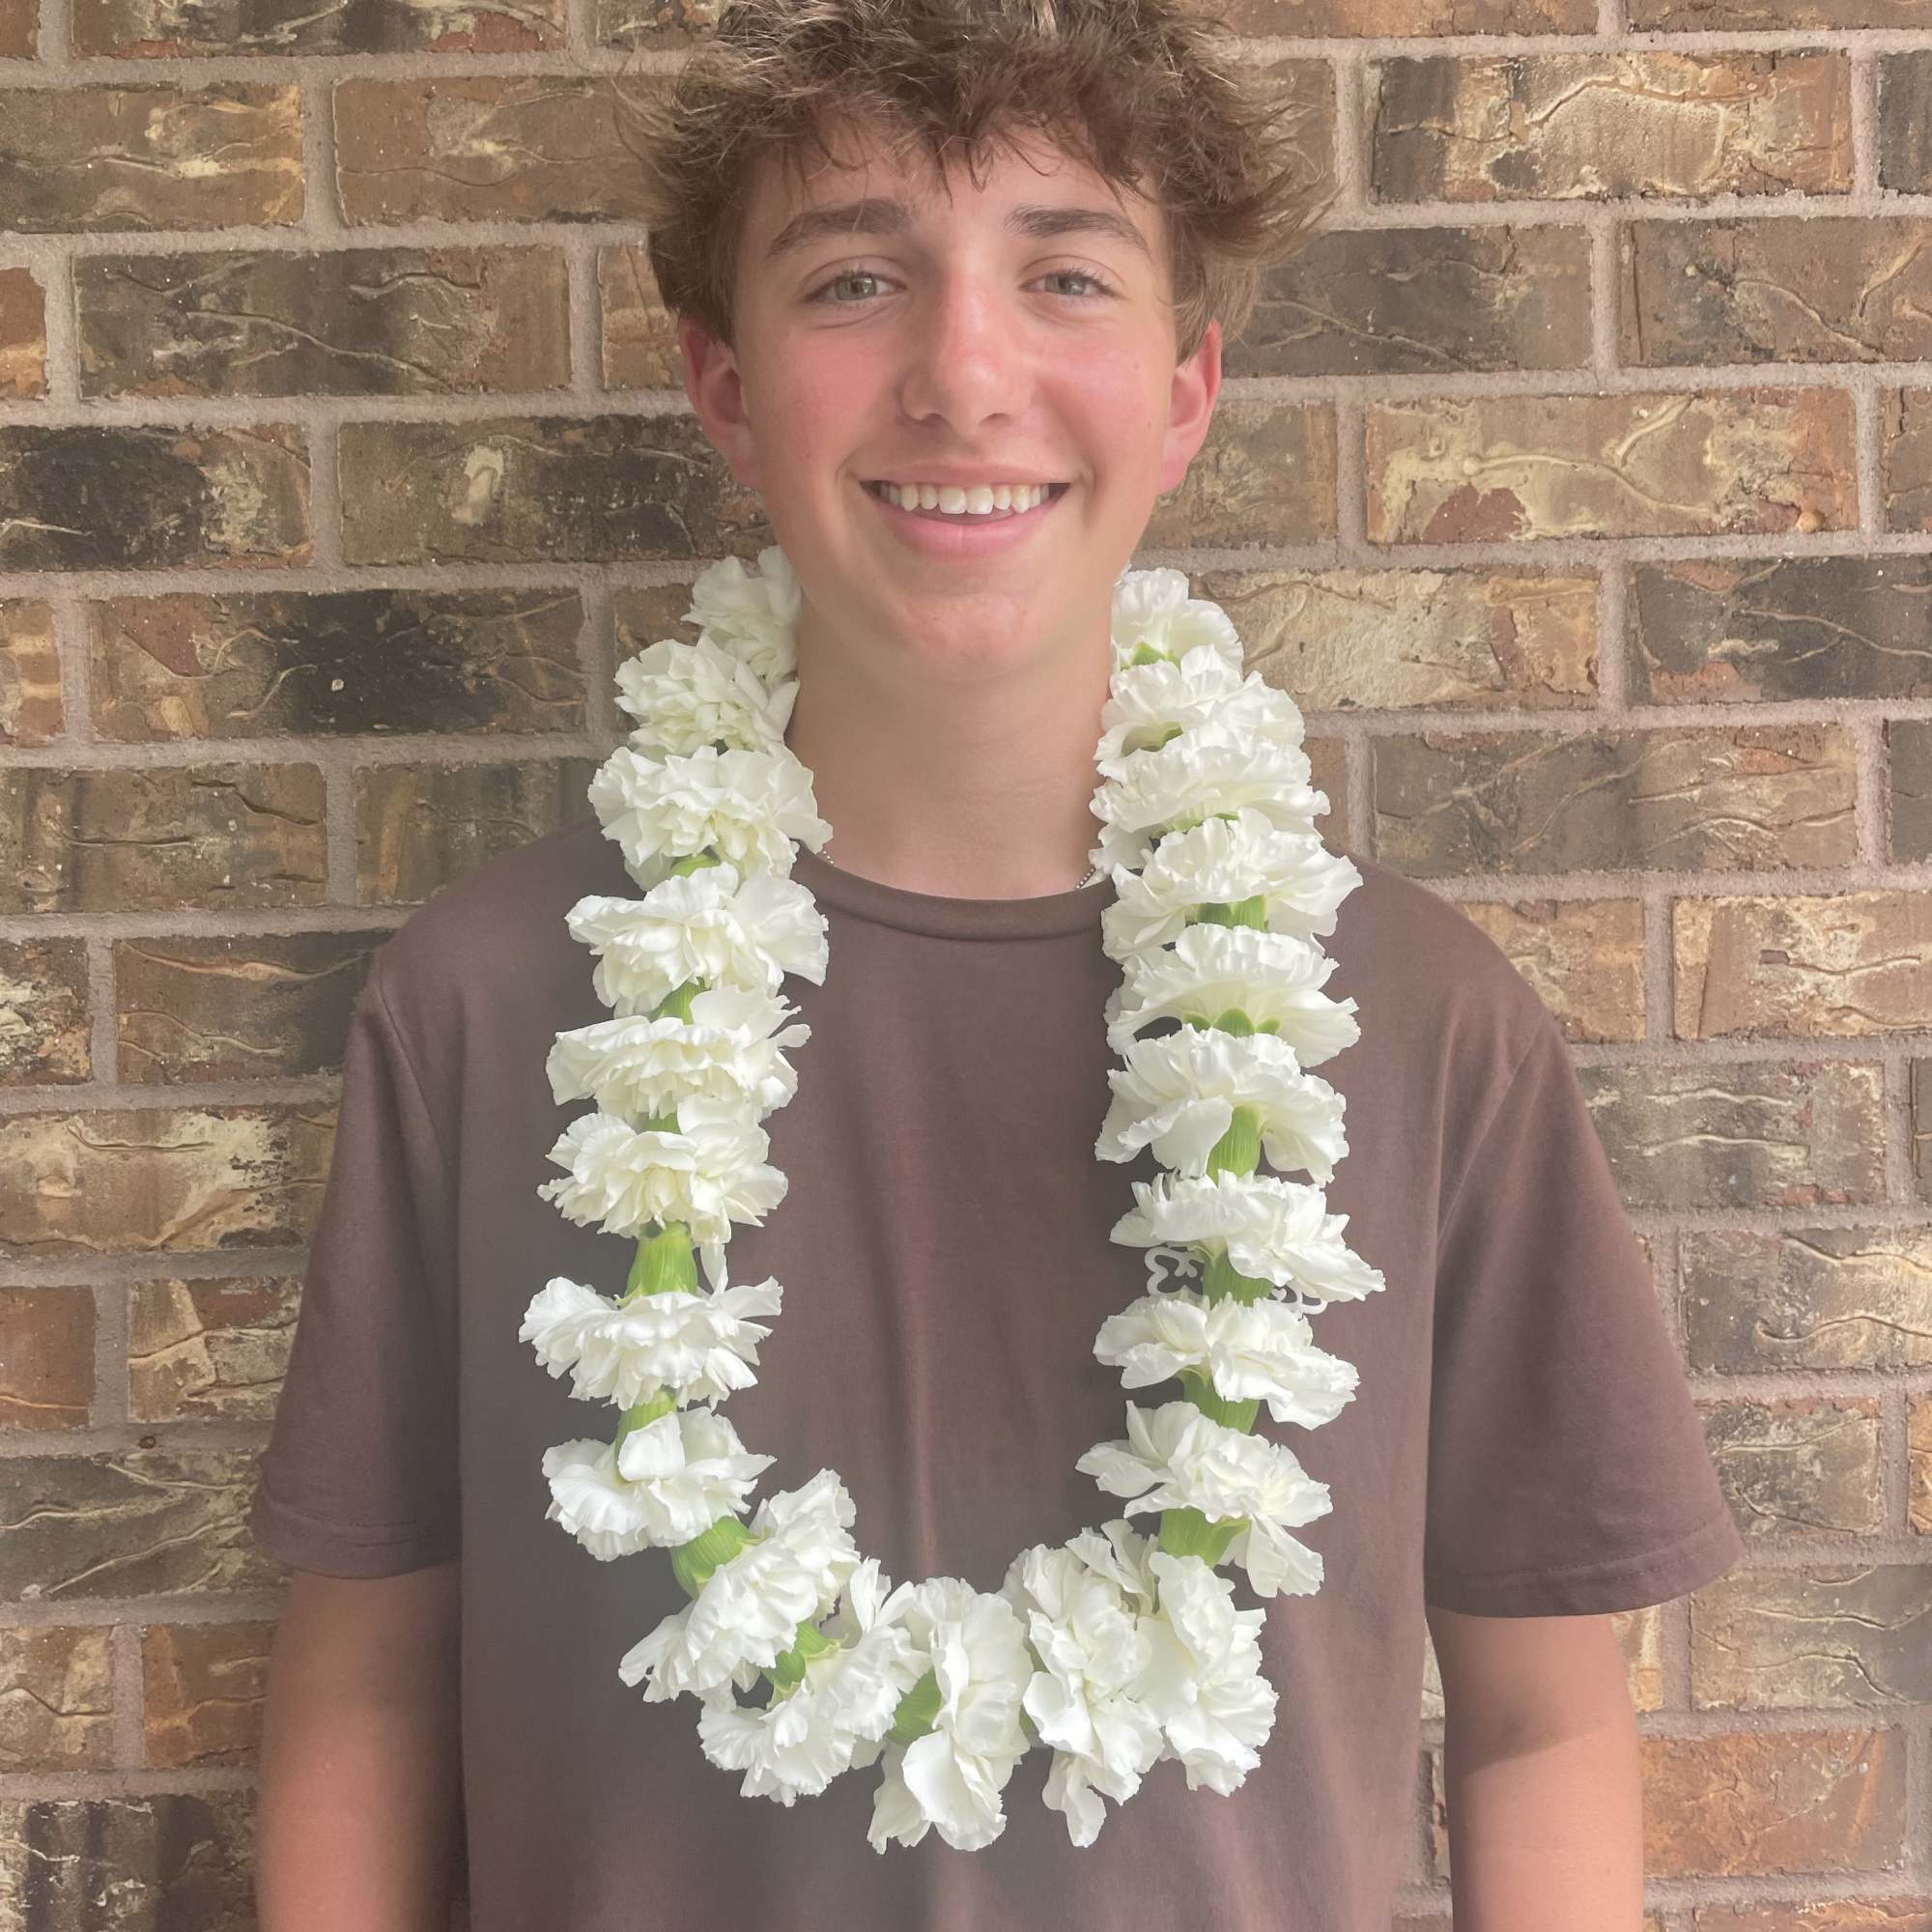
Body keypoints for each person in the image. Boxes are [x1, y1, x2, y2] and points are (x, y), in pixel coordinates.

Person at [247, 3, 1746, 1927]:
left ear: (1188, 387)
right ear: (721, 383)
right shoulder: (483, 1005)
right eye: (856, 278)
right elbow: (369, 1683)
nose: (965, 374)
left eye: (1063, 276)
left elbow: (1543, 1718)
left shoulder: (1426, 1027)